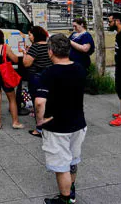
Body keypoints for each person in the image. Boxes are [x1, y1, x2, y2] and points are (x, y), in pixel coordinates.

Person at [35, 34, 87, 204]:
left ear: (50, 51)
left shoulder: (49, 73)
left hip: (57, 127)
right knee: (72, 160)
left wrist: (40, 121)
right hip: (78, 124)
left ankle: (64, 200)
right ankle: (71, 192)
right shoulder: (79, 68)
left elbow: (39, 102)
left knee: (61, 165)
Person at [22, 26, 52, 138]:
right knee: (48, 101)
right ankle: (49, 125)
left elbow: (26, 64)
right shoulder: (49, 45)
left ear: (35, 35)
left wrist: (25, 53)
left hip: (37, 78)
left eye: (30, 34)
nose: (29, 37)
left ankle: (39, 129)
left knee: (38, 102)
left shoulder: (35, 47)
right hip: (49, 76)